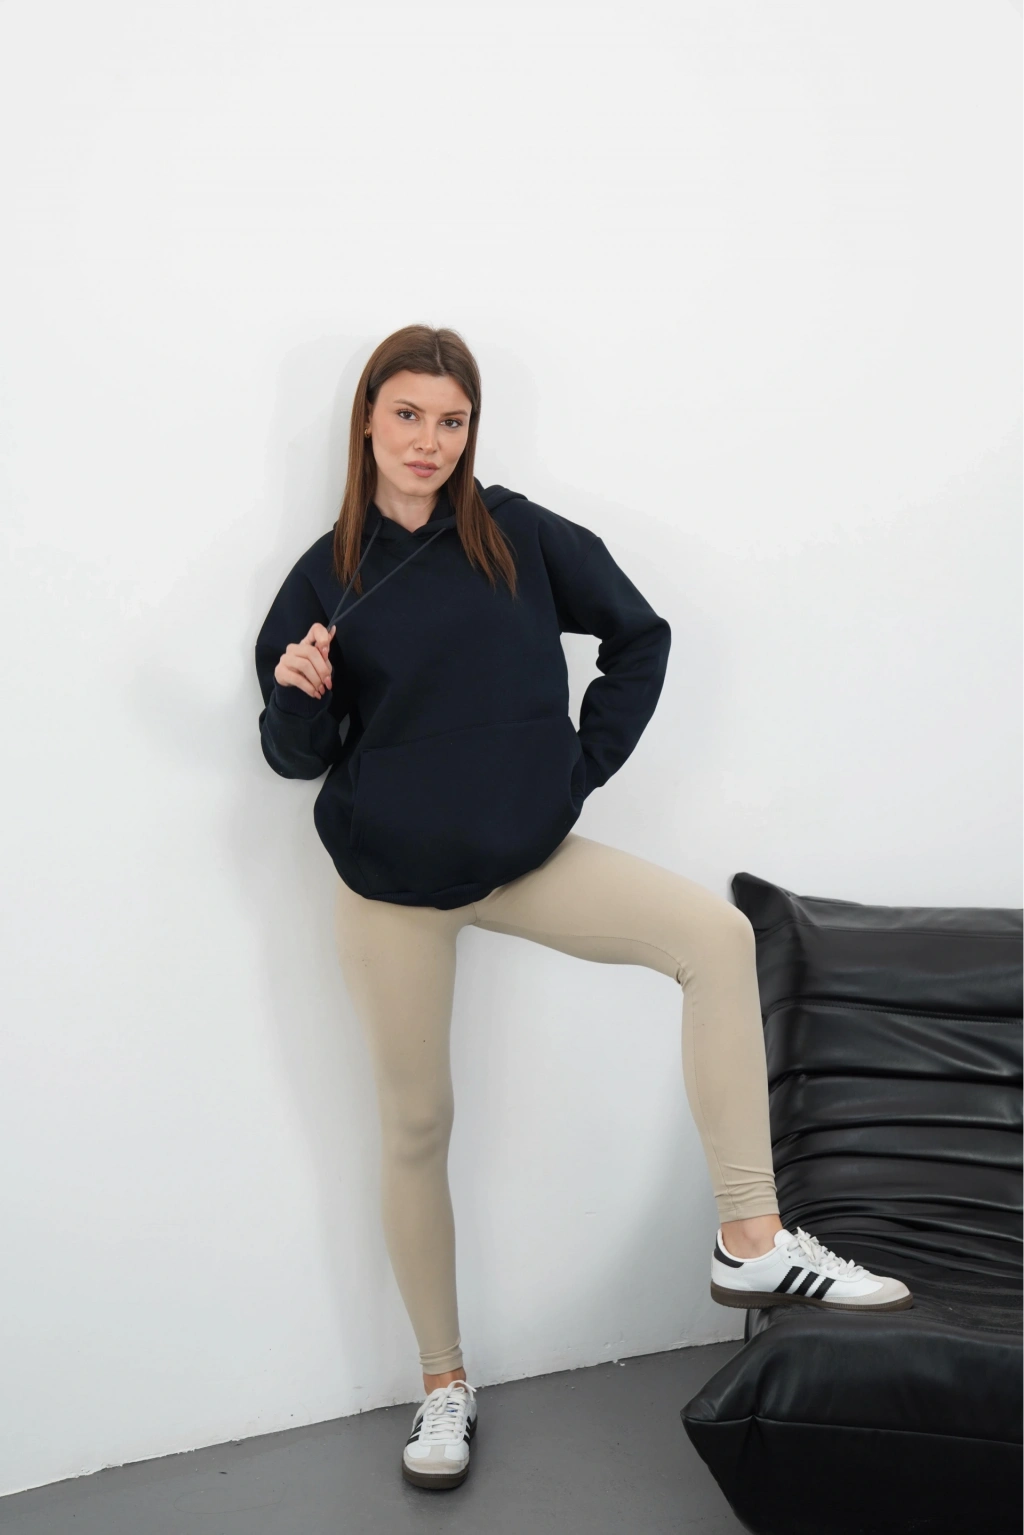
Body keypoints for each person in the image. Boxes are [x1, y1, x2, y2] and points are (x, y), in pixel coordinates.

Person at [254, 323, 911, 1492]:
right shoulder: (323, 575)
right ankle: (444, 1383)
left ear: (471, 430)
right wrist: (297, 697)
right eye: (407, 414)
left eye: (451, 420)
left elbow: (639, 636)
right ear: (367, 419)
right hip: (389, 884)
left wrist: (574, 770)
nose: (429, 440)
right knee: (416, 1124)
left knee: (713, 938)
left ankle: (751, 1236)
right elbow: (295, 754)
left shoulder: (515, 532)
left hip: (524, 854)